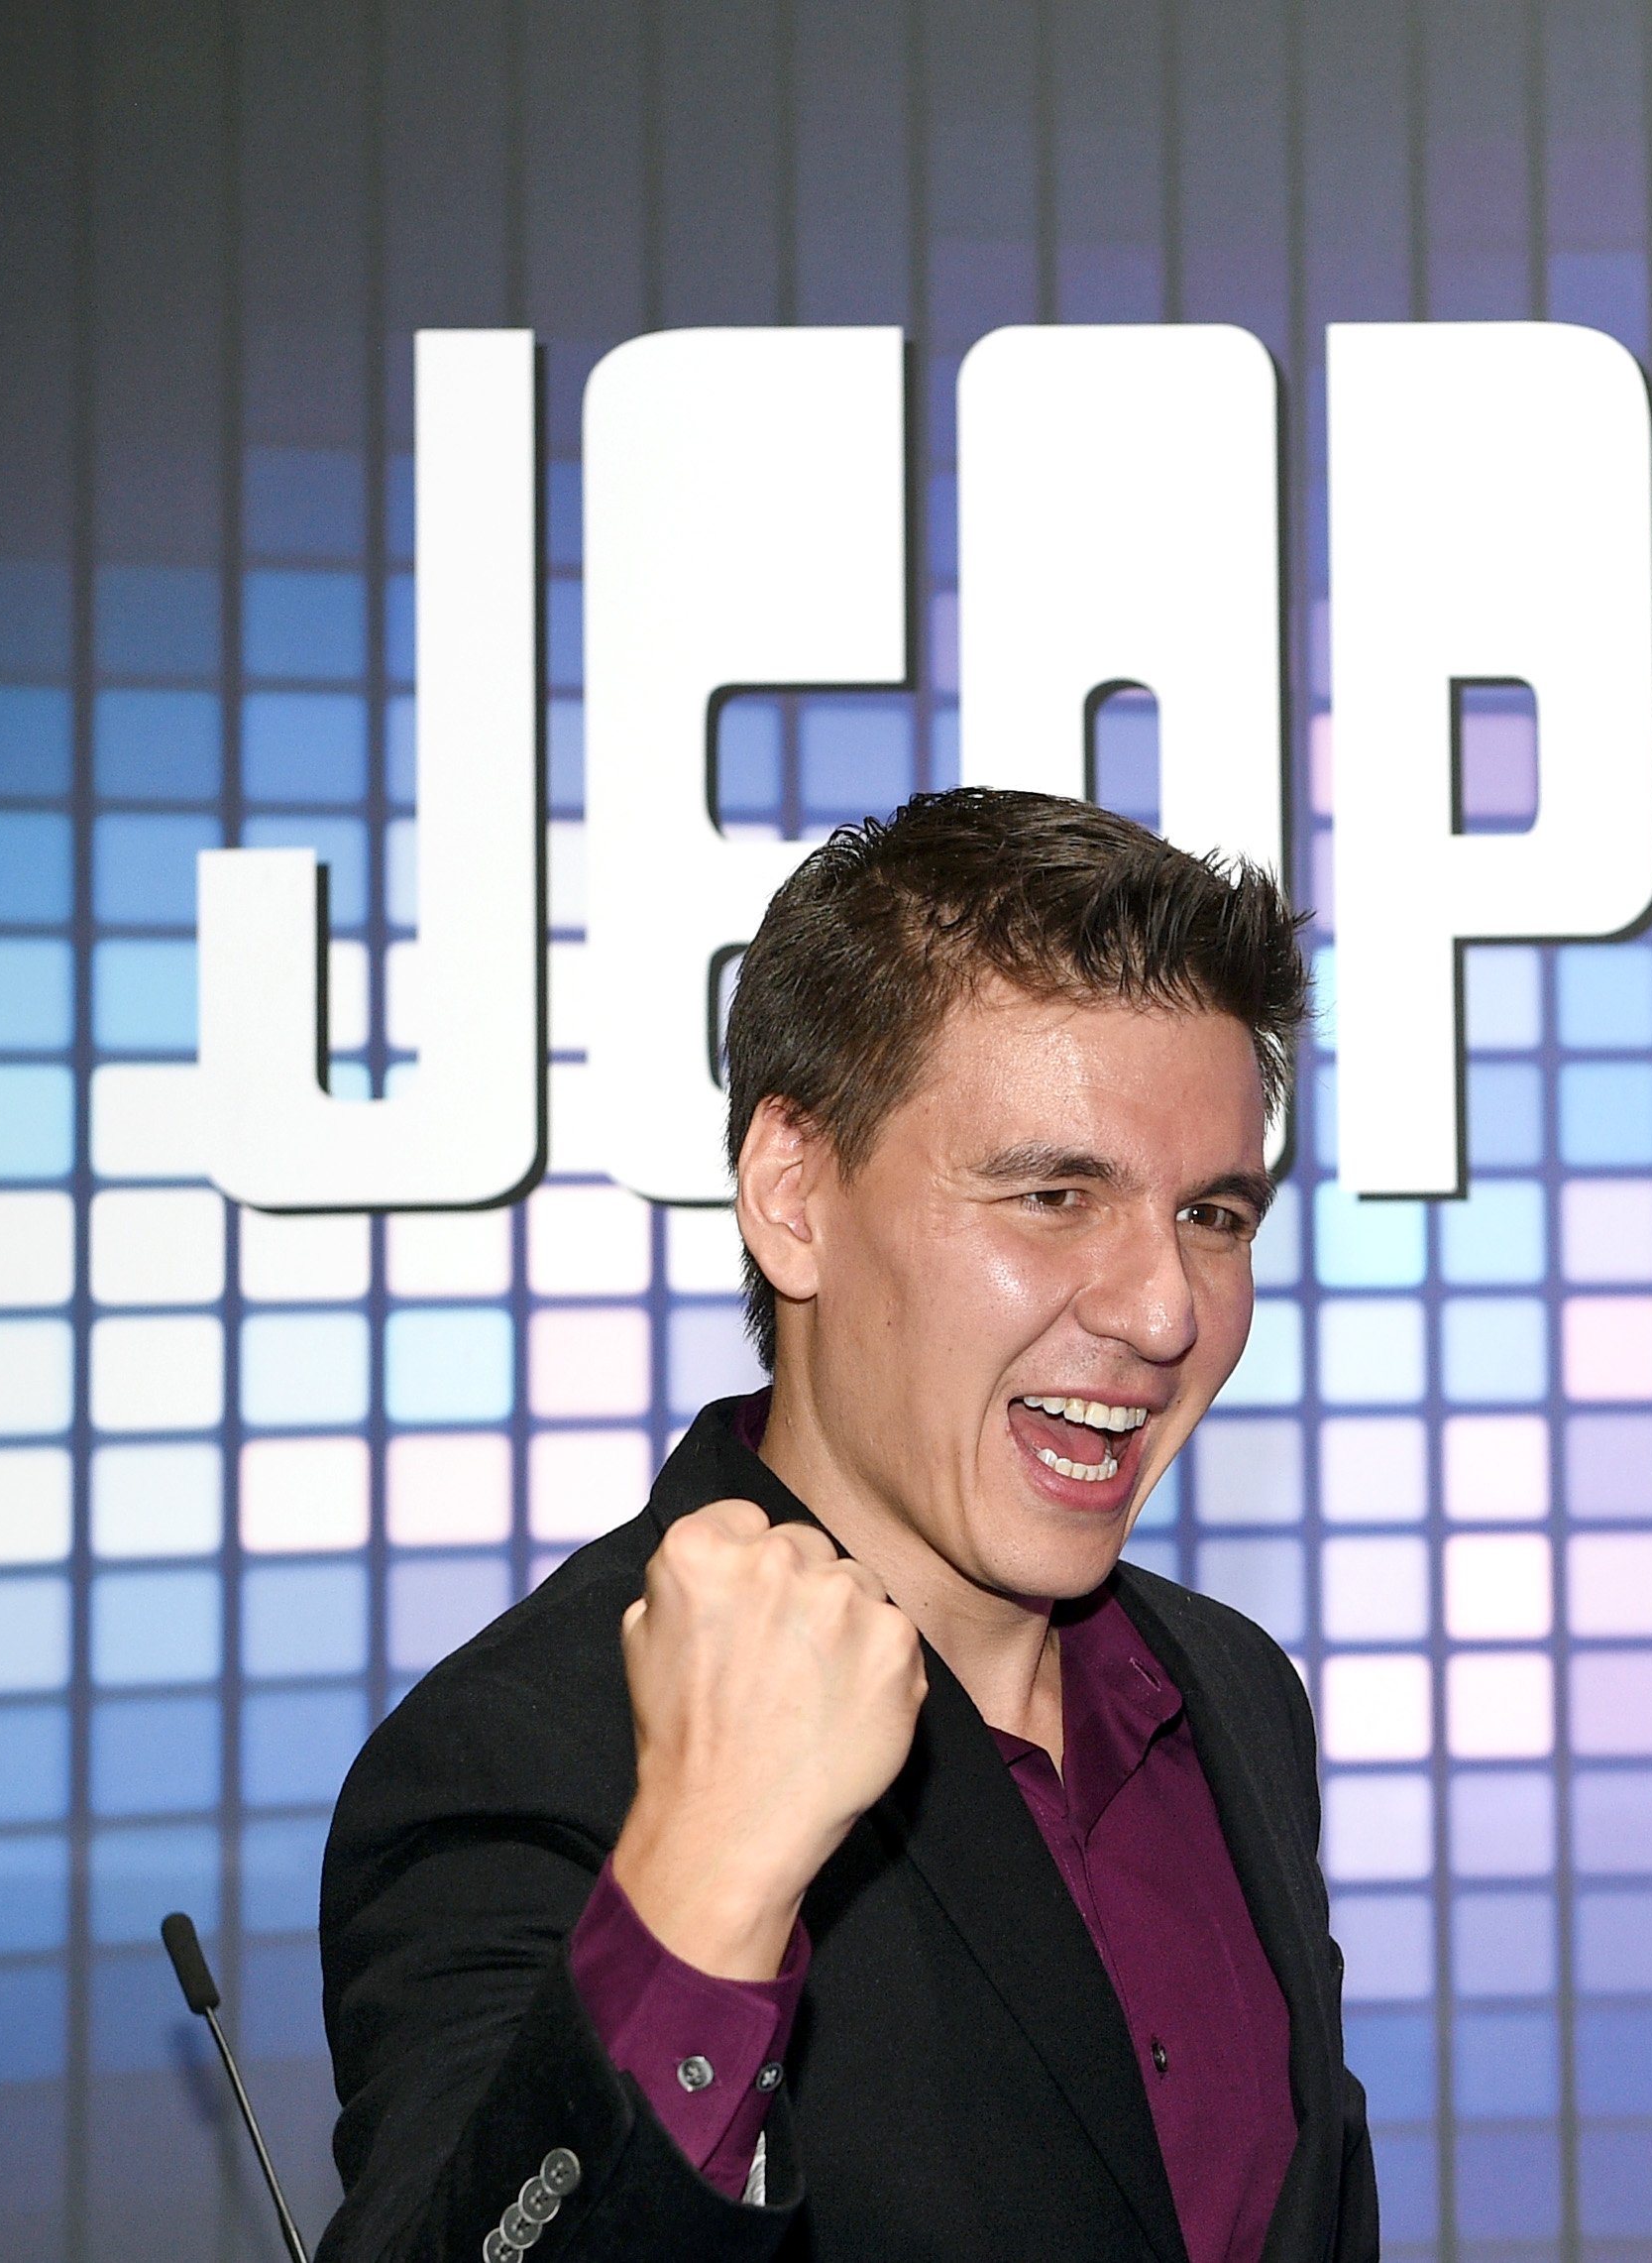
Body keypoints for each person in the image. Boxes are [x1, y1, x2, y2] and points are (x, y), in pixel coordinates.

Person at [315, 789, 1370, 2263]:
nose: (1164, 1312)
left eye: (1215, 1217)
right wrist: (705, 1884)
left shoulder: (1233, 1696)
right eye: (1054, 1193)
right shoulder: (530, 1749)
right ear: (791, 1196)